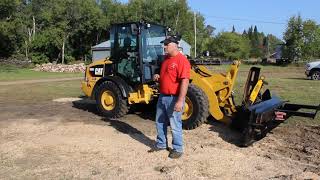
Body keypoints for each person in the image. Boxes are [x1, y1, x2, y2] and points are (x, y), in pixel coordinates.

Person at [149, 36, 191, 159]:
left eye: (166, 45)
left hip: (174, 98)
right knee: (159, 121)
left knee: (175, 124)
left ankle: (178, 148)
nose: (164, 47)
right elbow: (167, 77)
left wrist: (179, 101)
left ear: (174, 45)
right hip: (163, 96)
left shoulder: (182, 60)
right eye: (164, 44)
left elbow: (185, 82)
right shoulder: (166, 59)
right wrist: (157, 76)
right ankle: (161, 144)